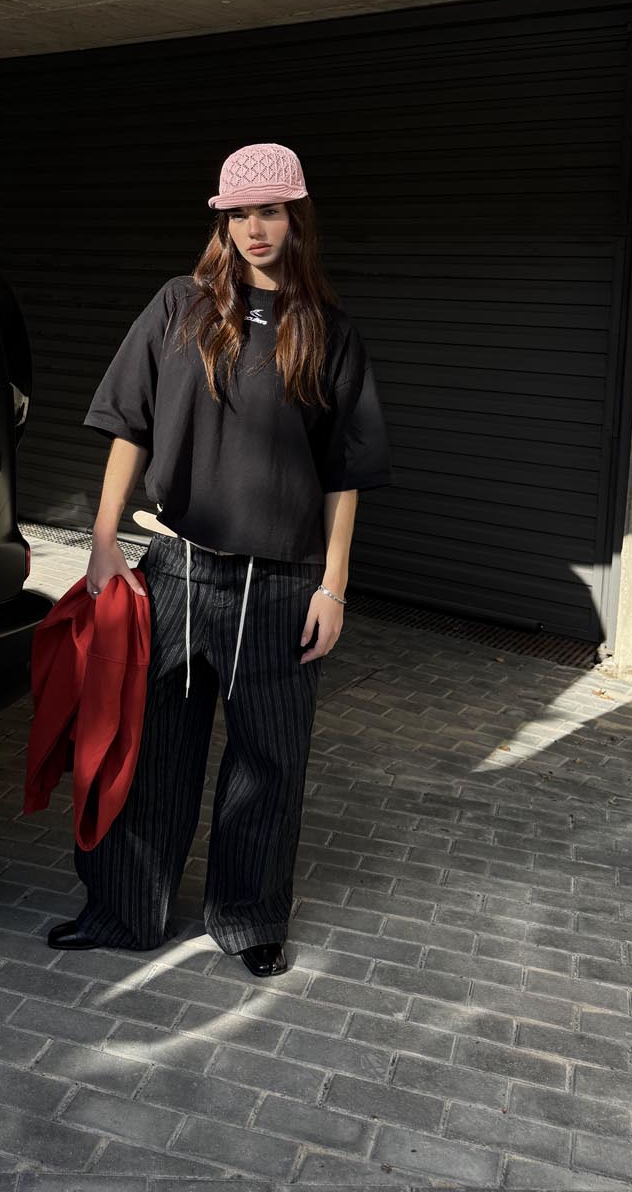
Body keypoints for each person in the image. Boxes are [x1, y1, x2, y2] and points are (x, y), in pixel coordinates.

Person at [45, 142, 392, 978]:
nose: (254, 228)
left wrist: (335, 587)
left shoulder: (329, 332)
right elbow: (128, 425)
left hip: (280, 587)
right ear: (223, 222)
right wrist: (102, 541)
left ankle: (249, 917)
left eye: (269, 211)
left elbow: (345, 475)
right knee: (153, 755)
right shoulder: (180, 306)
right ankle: (125, 910)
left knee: (268, 764)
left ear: (296, 219)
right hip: (177, 573)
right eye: (239, 214)